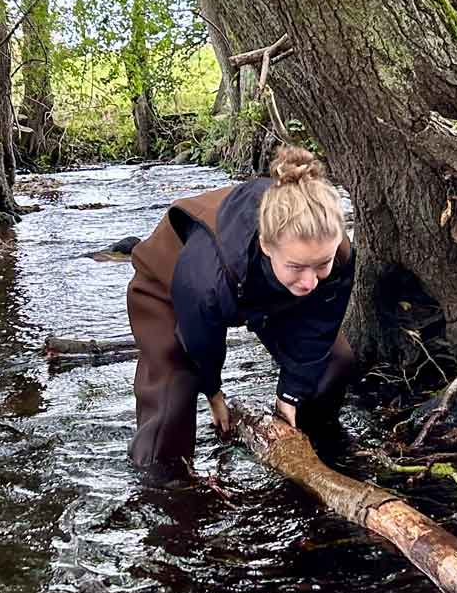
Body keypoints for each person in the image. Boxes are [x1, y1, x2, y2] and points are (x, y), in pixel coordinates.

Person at [125, 145, 355, 473]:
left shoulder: (333, 250)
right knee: (173, 393)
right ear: (266, 246)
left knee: (334, 362)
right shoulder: (207, 276)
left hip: (262, 288)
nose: (310, 283)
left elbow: (319, 327)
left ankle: (313, 450)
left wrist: (290, 394)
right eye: (297, 266)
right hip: (168, 285)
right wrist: (213, 392)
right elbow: (199, 338)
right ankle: (162, 486)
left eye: (321, 265)